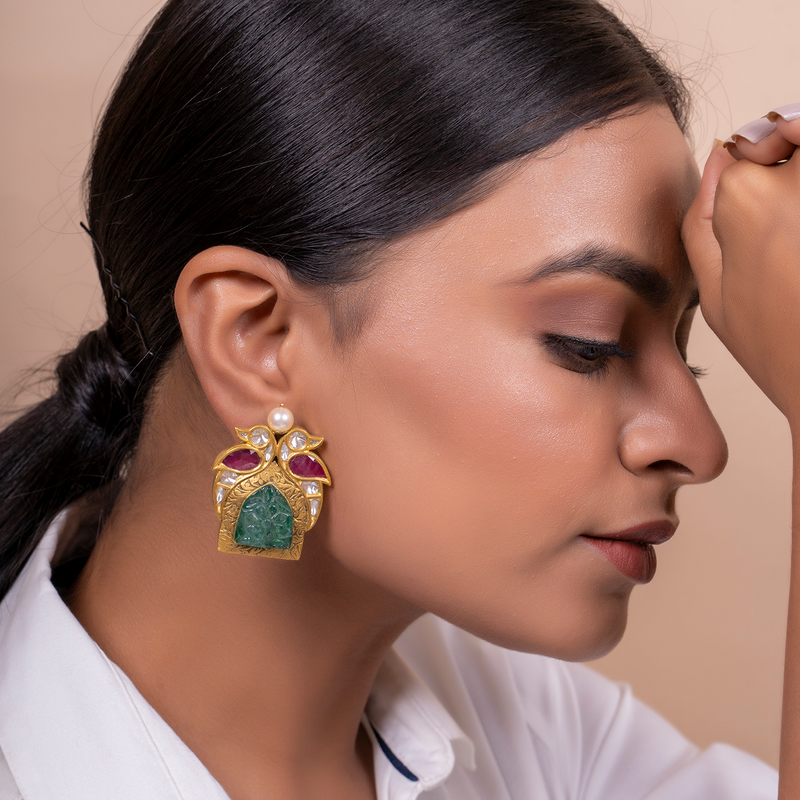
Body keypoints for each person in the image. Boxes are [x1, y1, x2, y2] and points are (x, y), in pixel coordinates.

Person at [0, 0, 796, 797]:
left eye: (686, 351)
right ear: (259, 340)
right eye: (588, 342)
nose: (698, 444)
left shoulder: (534, 730)